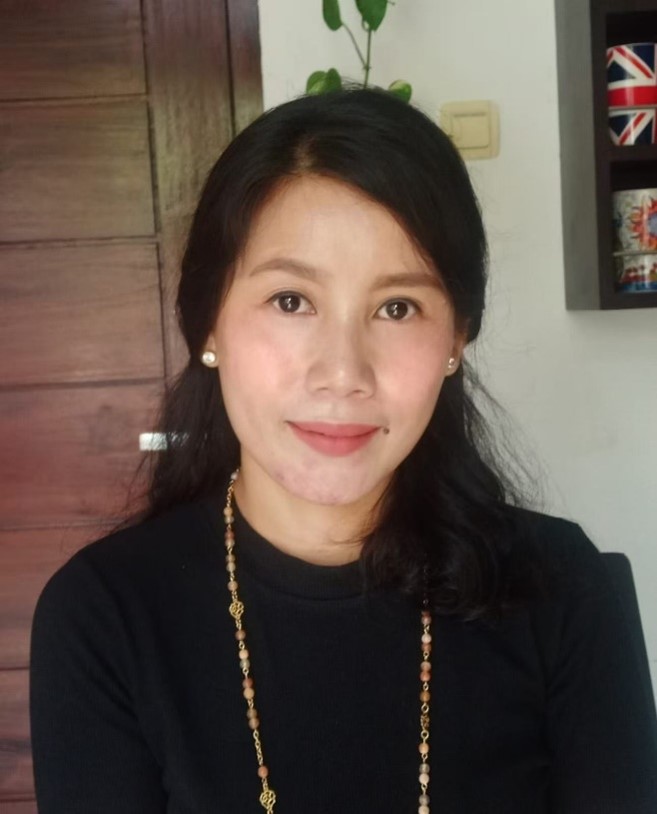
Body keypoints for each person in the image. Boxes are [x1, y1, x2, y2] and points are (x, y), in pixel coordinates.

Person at [29, 87, 657, 814]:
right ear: (208, 324)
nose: (342, 372)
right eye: (291, 301)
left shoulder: (561, 589)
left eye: (397, 308)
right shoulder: (105, 616)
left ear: (456, 339)